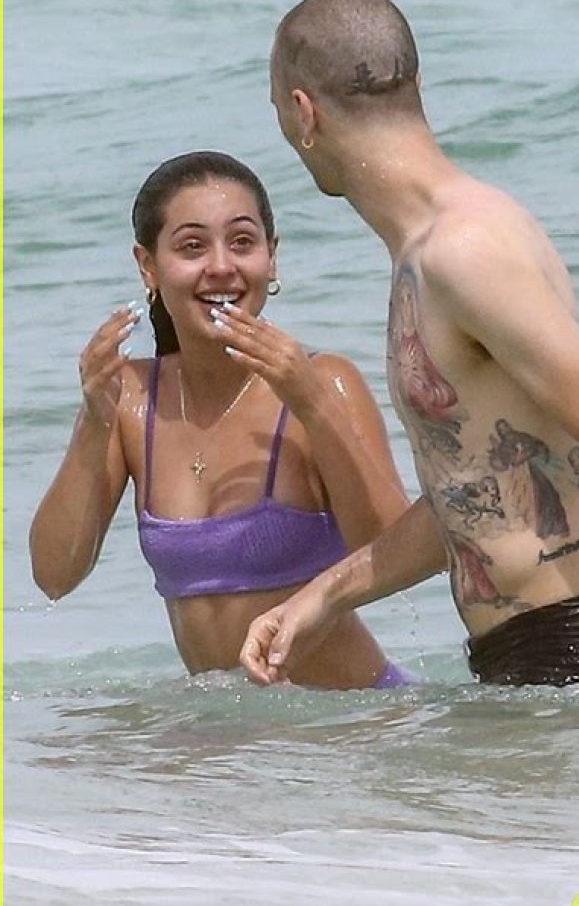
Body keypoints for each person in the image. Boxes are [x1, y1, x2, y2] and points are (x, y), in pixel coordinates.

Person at [239, 0, 579, 688]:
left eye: (278, 110)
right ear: (418, 84)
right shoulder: (436, 250)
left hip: (576, 644)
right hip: (543, 647)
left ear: (304, 113)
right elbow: (474, 496)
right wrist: (323, 597)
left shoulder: (464, 249)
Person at [29, 150, 416, 690]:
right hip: (224, 733)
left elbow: (399, 553)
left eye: (242, 242)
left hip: (352, 723)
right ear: (148, 266)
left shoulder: (323, 382)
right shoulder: (129, 400)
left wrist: (313, 406)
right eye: (192, 246)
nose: (221, 266)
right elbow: (54, 575)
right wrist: (94, 424)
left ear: (272, 257)